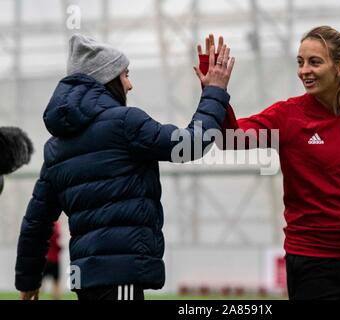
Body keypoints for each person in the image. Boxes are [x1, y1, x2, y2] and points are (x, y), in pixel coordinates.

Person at [196, 28, 340, 300]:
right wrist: (214, 92)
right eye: (300, 62)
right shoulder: (287, 116)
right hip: (313, 261)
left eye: (314, 62)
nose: (304, 71)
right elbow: (230, 140)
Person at [15, 33, 235, 300]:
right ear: (108, 79)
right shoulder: (125, 123)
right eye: (125, 74)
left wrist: (28, 281)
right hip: (121, 278)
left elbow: (36, 222)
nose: (130, 85)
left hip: (86, 279)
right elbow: (190, 144)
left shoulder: (56, 146)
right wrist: (215, 91)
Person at [41, 221, 62, 300]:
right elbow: (55, 237)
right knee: (56, 282)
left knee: (40, 282)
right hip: (53, 258)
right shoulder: (54, 224)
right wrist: (59, 248)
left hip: (46, 258)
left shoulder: (43, 223)